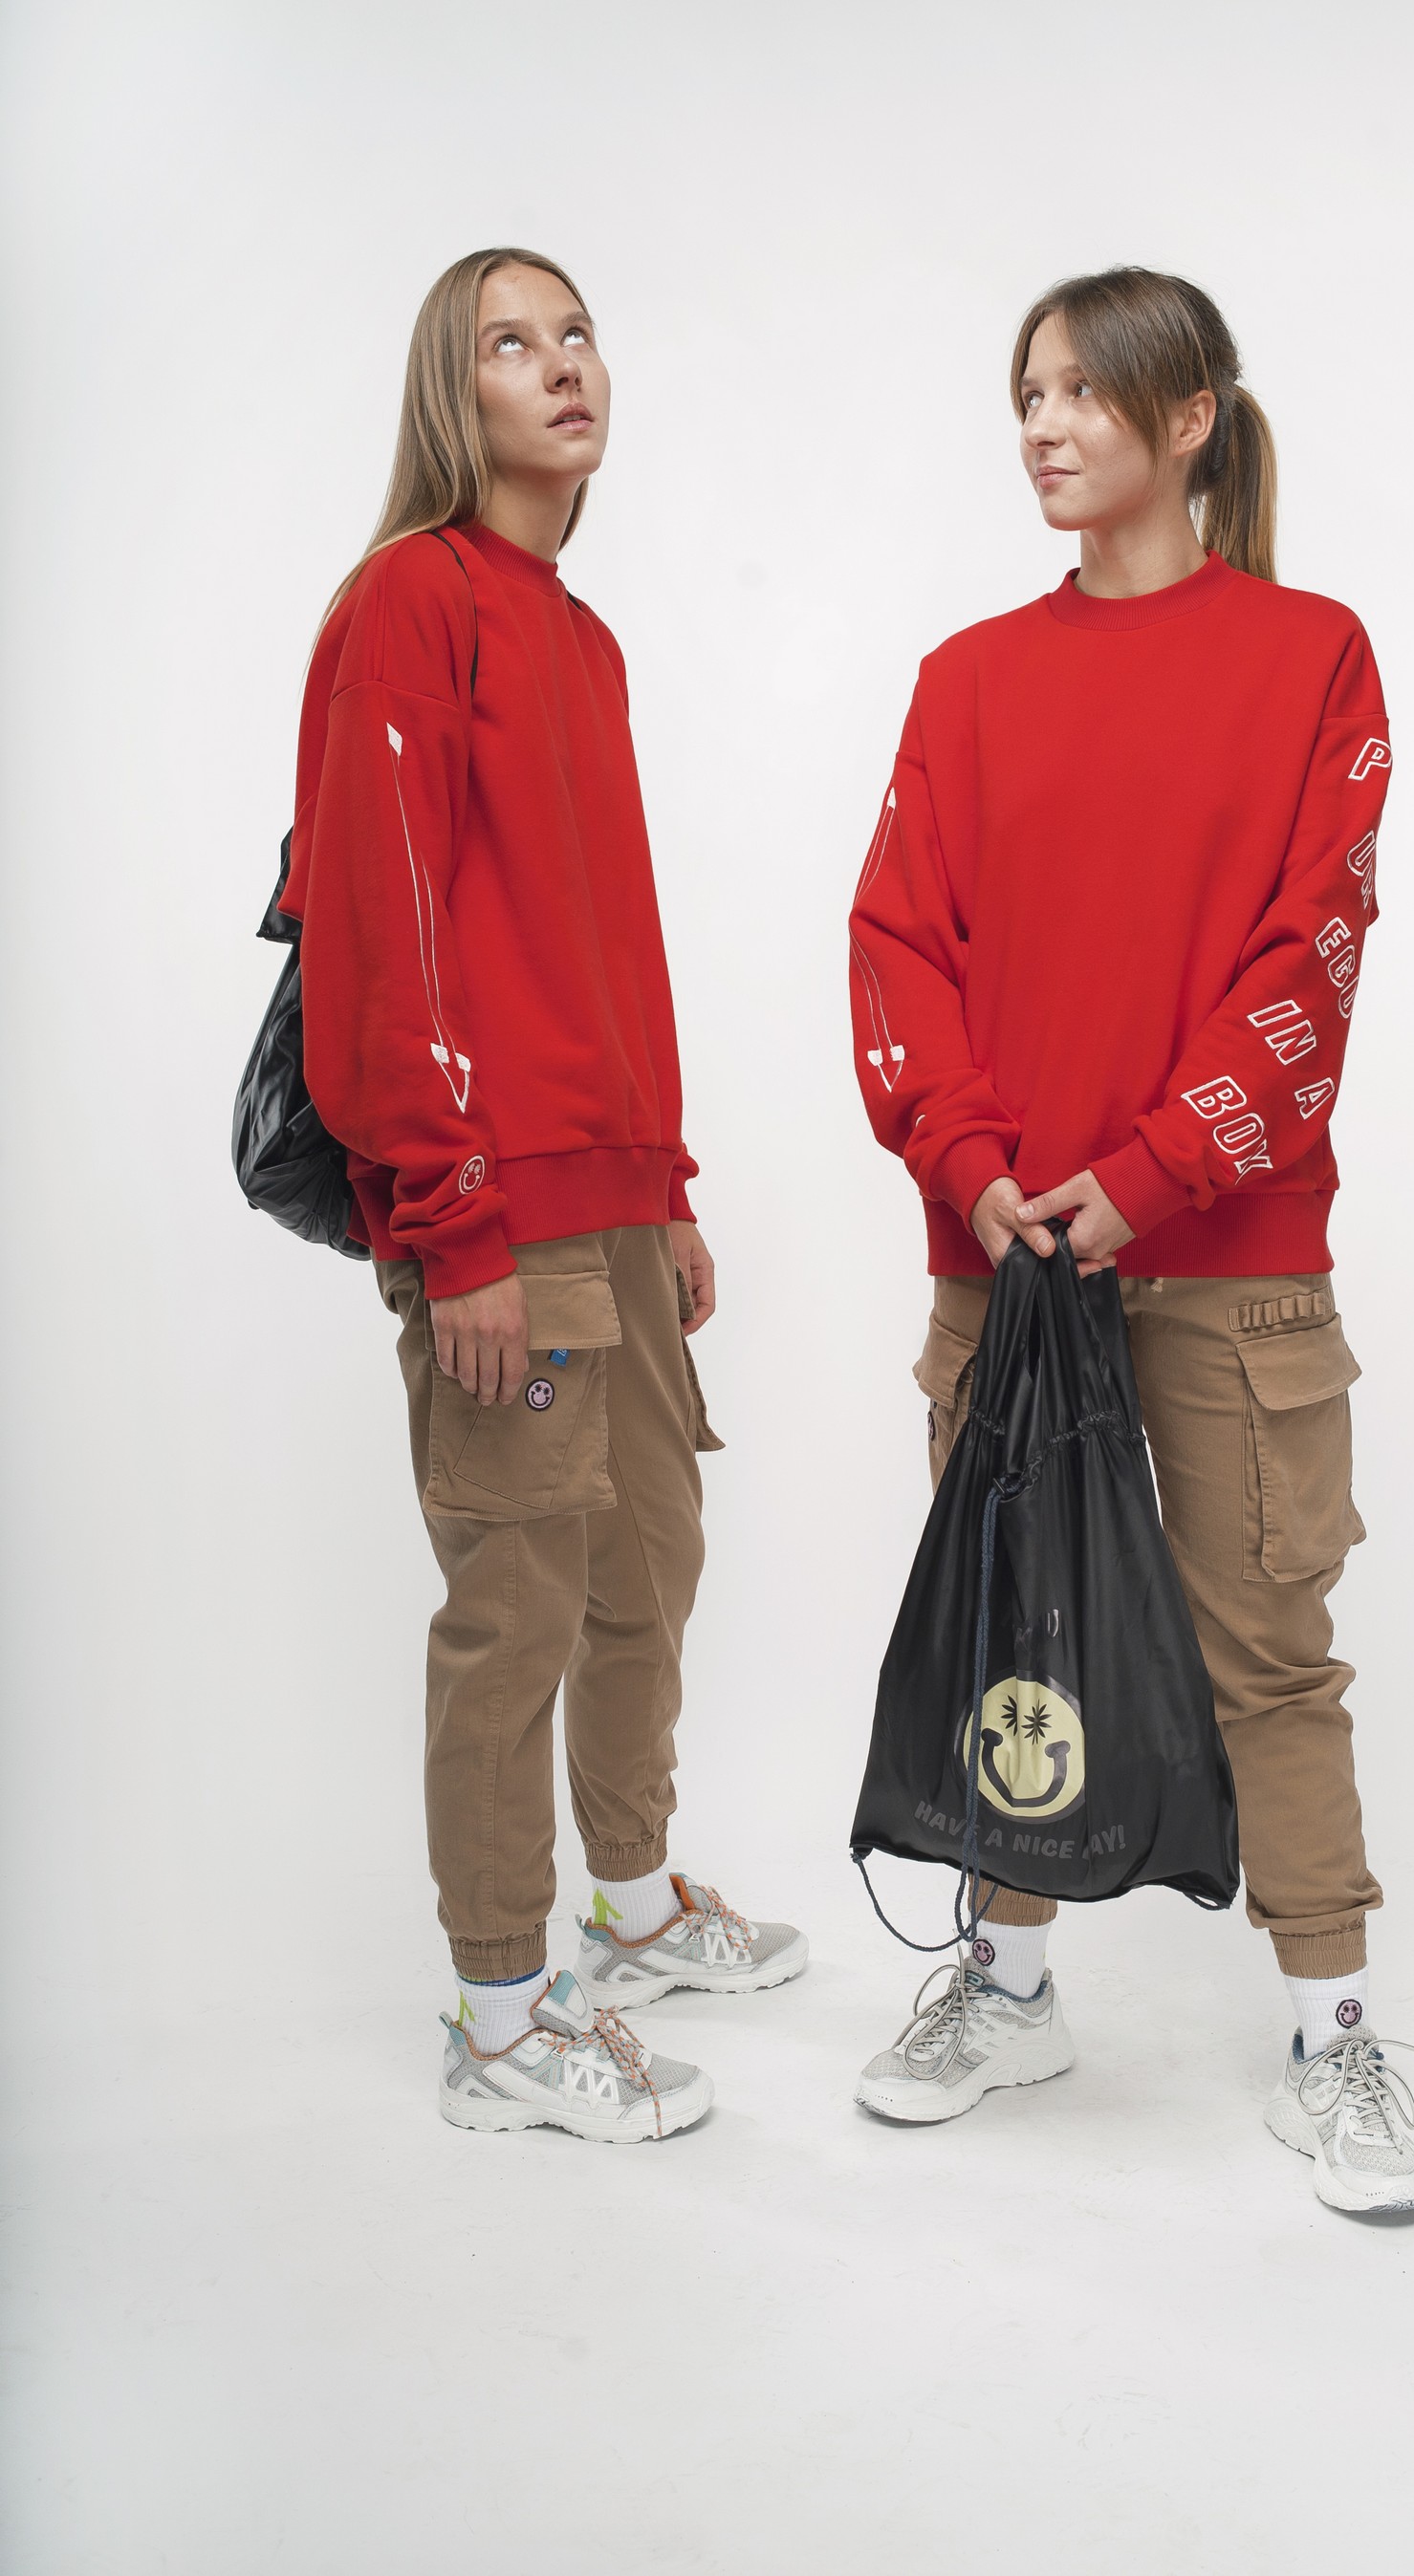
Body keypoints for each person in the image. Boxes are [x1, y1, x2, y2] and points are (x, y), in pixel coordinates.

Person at [847, 267, 1414, 2212]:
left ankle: (1335, 2041)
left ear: (1189, 419)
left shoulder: (1312, 656)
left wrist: (1162, 1165)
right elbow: (897, 945)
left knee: (1268, 1648)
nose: (1041, 424)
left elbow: (1314, 948)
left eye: (1082, 391)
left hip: (1233, 1259)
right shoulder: (965, 678)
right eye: (1025, 392)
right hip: (1009, 1256)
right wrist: (974, 1160)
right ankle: (1007, 1986)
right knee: (1014, 1627)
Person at [286, 247, 806, 2144]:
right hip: (493, 1208)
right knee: (518, 1602)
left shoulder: (580, 639)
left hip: (612, 1205)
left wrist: (664, 1184)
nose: (562, 362)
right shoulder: (409, 604)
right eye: (512, 342)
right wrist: (452, 1223)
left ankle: (634, 1905)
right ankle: (502, 2019)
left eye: (577, 331)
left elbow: (606, 944)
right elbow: (384, 931)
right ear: (458, 394)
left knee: (647, 1564)